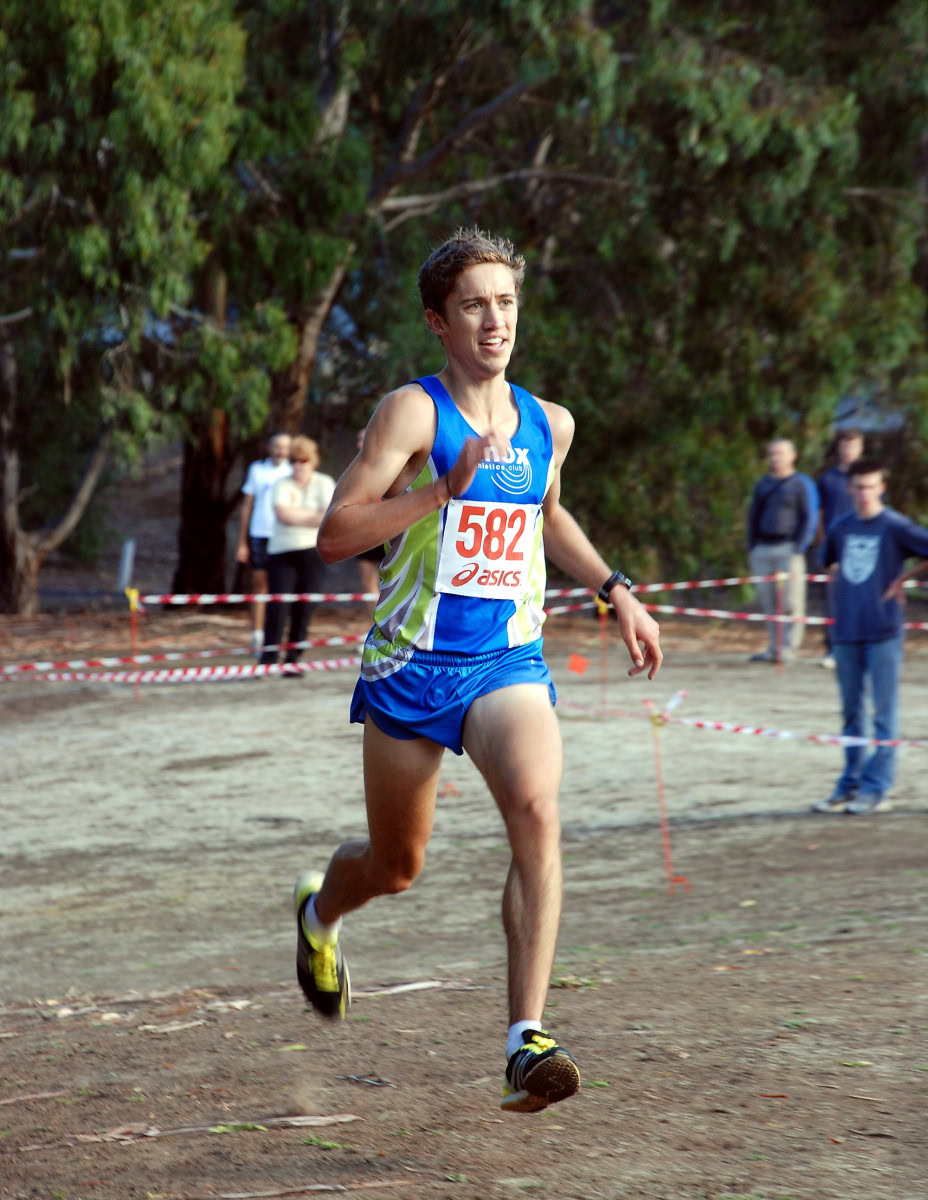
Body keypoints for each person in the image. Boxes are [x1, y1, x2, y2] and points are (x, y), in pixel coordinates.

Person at [290, 227, 662, 1116]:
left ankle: (525, 1040)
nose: (495, 321)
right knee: (394, 865)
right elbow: (336, 533)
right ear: (438, 321)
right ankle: (320, 914)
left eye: (506, 302)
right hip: (411, 668)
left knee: (537, 809)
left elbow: (547, 517)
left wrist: (617, 590)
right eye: (473, 305)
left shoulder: (549, 423)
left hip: (506, 661)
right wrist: (435, 494)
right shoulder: (413, 415)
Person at [811, 458, 928, 815]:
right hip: (846, 630)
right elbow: (828, 561)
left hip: (883, 630)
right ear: (850, 489)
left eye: (871, 486)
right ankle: (850, 784)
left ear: (882, 488)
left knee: (884, 713)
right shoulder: (842, 526)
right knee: (851, 712)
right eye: (858, 487)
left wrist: (902, 579)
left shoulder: (894, 525)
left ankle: (876, 788)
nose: (864, 494)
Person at [259, 436, 336, 674]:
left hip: (313, 551)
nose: (298, 465)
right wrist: (312, 516)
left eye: (303, 460)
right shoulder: (281, 484)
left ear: (312, 461)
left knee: (305, 607)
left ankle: (293, 658)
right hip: (282, 551)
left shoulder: (324, 482)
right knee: (278, 607)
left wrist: (299, 516)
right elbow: (283, 515)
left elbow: (329, 515)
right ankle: (268, 657)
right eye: (294, 460)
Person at [746, 437, 817, 662]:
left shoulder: (801, 483)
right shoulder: (763, 484)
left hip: (789, 549)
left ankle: (788, 648)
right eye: (773, 454)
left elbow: (810, 516)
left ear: (792, 455)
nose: (776, 458)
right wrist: (752, 545)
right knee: (768, 602)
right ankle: (773, 647)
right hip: (763, 550)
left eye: (781, 453)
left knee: (791, 602)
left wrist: (799, 546)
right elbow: (753, 515)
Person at [236, 432, 292, 656]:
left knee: (283, 588)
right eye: (277, 446)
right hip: (260, 533)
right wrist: (242, 542)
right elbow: (247, 505)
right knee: (260, 584)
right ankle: (257, 635)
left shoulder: (292, 471)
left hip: (285, 535)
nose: (281, 451)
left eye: (285, 447)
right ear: (269, 448)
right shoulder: (257, 470)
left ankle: (278, 637)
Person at [816, 429, 865, 668]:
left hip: (863, 548)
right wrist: (826, 546)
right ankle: (833, 649)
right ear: (839, 449)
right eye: (845, 446)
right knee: (834, 601)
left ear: (860, 449)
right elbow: (820, 515)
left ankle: (860, 648)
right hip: (836, 548)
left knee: (863, 599)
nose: (848, 452)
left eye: (853, 447)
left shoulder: (867, 480)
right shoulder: (828, 479)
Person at [353, 428, 383, 619]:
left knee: (392, 581)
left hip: (388, 528)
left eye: (365, 439)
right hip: (364, 530)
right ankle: (374, 627)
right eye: (359, 439)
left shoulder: (394, 462)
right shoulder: (356, 469)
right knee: (368, 583)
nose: (360, 444)